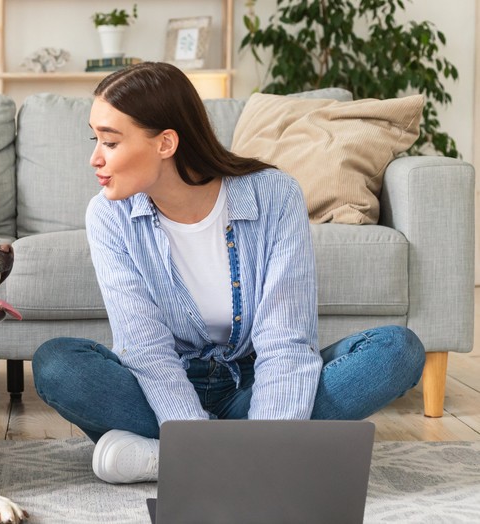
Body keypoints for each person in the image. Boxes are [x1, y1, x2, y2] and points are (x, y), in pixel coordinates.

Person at [31, 62, 426, 484]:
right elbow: (146, 350)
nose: (95, 158)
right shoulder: (108, 215)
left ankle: (172, 459)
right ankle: (242, 457)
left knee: (396, 351)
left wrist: (267, 436)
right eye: (97, 139)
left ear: (166, 143)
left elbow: (286, 341)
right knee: (57, 364)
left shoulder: (275, 195)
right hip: (161, 387)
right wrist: (204, 437)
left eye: (109, 142)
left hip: (254, 385)